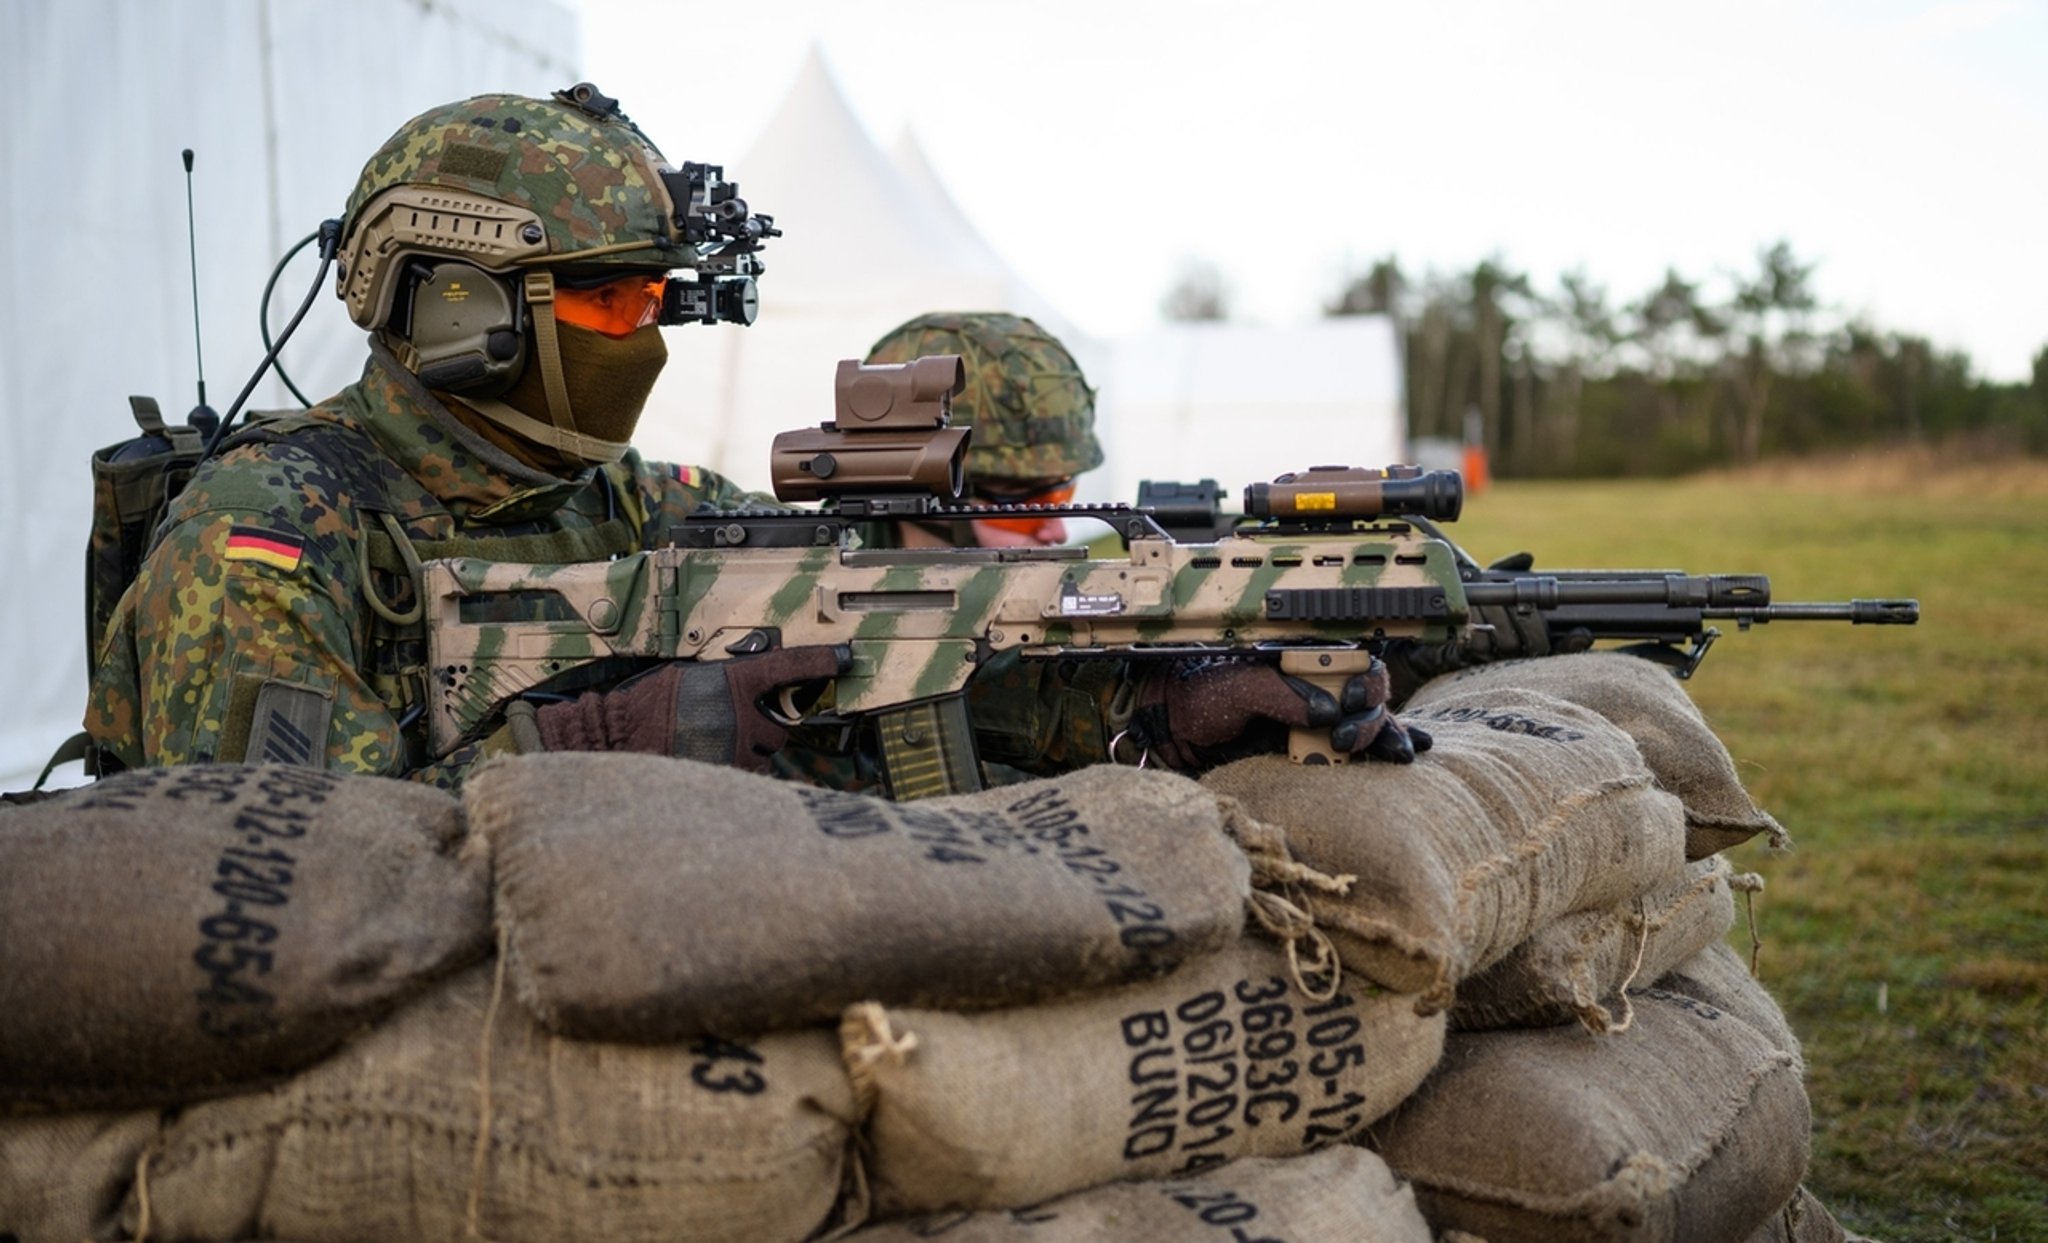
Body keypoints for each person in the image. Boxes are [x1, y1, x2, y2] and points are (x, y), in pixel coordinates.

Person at [85, 85, 1419, 789]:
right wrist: (595, 748)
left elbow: (882, 651)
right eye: (613, 298)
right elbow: (272, 860)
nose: (644, 335)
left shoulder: (643, 503)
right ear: (458, 311)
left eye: (659, 300)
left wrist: (1150, 706)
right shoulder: (263, 540)